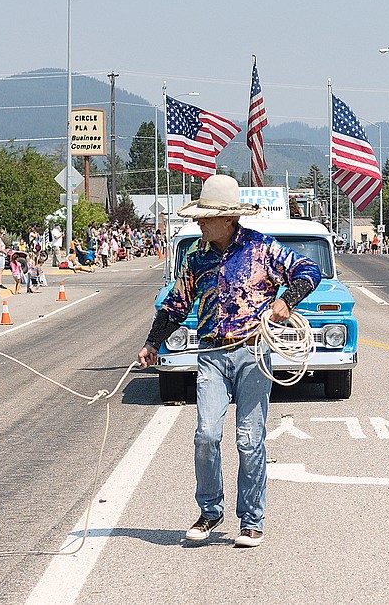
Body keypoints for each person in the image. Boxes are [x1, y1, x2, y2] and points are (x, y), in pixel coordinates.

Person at [137, 174, 322, 549]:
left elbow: (309, 271)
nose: (199, 223)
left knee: (249, 439)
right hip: (211, 354)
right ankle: (210, 511)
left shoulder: (262, 249)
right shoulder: (195, 258)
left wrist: (287, 301)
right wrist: (152, 343)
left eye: (205, 217)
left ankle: (252, 520)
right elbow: (175, 305)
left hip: (254, 352)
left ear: (227, 219)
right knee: (206, 433)